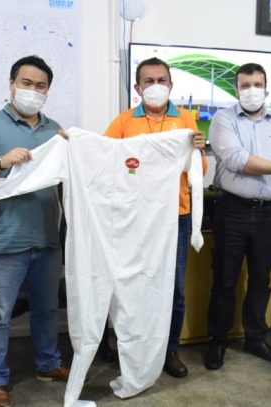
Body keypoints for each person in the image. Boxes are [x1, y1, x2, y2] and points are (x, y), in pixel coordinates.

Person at [0, 55, 69, 407]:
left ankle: (48, 363)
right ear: (11, 84)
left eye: (41, 86)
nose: (33, 91)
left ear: (47, 91)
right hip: (2, 241)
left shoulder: (54, 130)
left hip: (46, 238)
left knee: (47, 309)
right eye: (26, 83)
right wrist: (1, 162)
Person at [204, 63, 271, 370]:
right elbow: (237, 160)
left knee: (262, 280)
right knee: (224, 279)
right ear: (236, 89)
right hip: (233, 210)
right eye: (245, 85)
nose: (252, 90)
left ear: (266, 88)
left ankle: (256, 338)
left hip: (268, 213)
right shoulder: (223, 119)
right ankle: (218, 340)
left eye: (257, 85)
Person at [105, 57, 207, 378]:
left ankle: (170, 350)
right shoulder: (123, 122)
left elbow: (199, 171)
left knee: (173, 289)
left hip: (176, 217)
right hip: (135, 218)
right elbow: (105, 162)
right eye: (148, 81)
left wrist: (199, 150)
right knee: (134, 285)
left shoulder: (187, 119)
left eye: (161, 80)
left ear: (171, 85)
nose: (155, 86)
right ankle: (133, 349)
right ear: (137, 88)